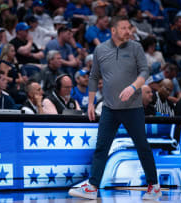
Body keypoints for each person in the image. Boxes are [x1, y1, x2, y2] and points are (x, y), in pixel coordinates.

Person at [68, 16, 161, 200]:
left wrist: (133, 87)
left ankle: (154, 186)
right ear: (113, 30)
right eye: (124, 28)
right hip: (109, 108)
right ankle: (93, 186)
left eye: (129, 28)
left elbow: (144, 71)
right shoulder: (101, 49)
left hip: (132, 107)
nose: (128, 31)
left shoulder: (136, 47)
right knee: (102, 147)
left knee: (142, 146)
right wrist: (92, 102)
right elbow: (94, 77)